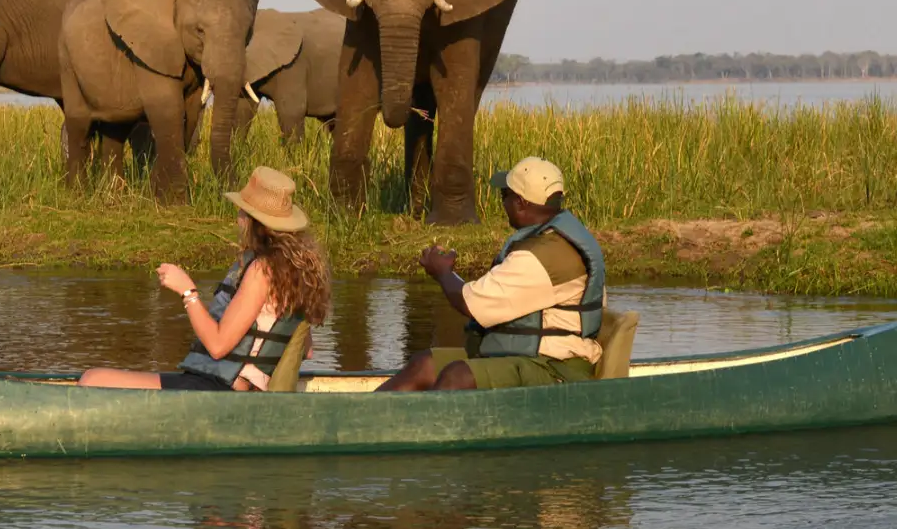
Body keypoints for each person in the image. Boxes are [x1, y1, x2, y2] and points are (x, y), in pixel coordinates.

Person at [79, 167, 331, 391]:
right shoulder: (295, 274)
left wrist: (188, 291)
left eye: (242, 212)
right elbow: (305, 350)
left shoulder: (261, 271)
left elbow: (218, 346)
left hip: (220, 388)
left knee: (92, 380)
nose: (238, 217)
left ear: (256, 223)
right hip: (227, 386)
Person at [381, 156, 606, 392]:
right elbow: (481, 295)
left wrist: (442, 272)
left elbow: (469, 303)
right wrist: (448, 274)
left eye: (504, 196)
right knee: (424, 365)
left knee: (458, 376)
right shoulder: (553, 238)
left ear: (520, 202)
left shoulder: (540, 257)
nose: (503, 203)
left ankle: (429, 428)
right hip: (527, 357)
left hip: (555, 368)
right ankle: (366, 419)